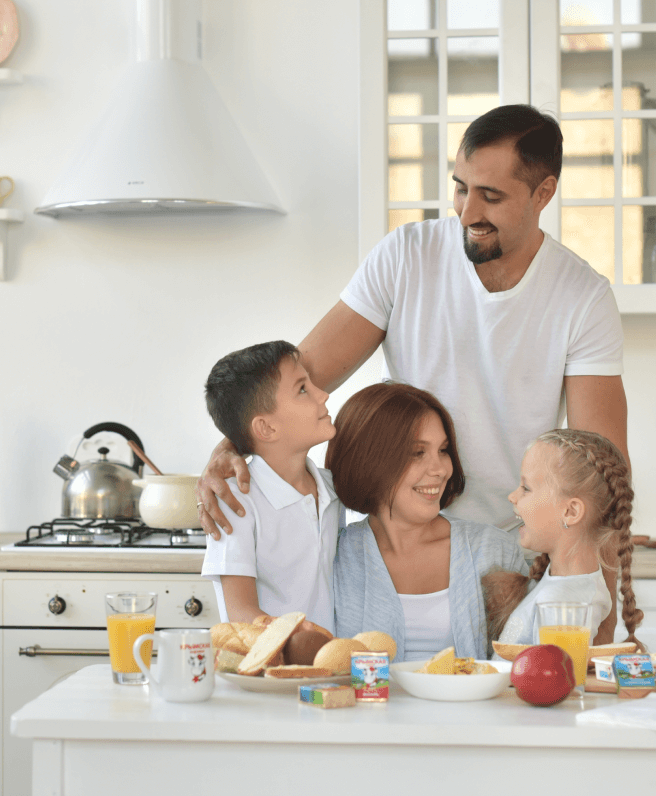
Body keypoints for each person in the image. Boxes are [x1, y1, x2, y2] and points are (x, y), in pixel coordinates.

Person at [197, 103, 629, 641]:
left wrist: (602, 623)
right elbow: (293, 384)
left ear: (543, 193)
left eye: (491, 196)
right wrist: (232, 445)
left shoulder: (583, 298)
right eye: (460, 188)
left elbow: (599, 472)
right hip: (393, 544)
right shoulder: (406, 256)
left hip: (506, 552)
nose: (468, 211)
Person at [328, 382, 525, 662]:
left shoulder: (493, 550)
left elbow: (521, 663)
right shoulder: (334, 556)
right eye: (417, 452)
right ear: (369, 459)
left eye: (443, 450)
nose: (441, 469)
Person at [199, 340, 342, 632]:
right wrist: (305, 639)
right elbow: (241, 611)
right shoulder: (236, 501)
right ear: (266, 428)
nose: (323, 394)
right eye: (302, 389)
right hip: (268, 661)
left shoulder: (332, 488)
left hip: (331, 658)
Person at [484, 429, 644, 647]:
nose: (512, 496)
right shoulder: (566, 589)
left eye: (526, 488)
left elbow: (556, 670)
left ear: (570, 512)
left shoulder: (564, 605)